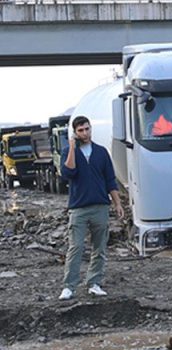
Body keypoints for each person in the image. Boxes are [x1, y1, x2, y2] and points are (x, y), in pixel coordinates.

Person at [58, 116, 125, 300]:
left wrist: (118, 203)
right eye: (81, 130)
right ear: (75, 132)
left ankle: (94, 283)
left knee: (99, 248)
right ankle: (69, 287)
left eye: (87, 129)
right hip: (78, 208)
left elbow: (110, 180)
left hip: (100, 206)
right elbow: (68, 173)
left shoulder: (101, 152)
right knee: (76, 247)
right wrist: (72, 147)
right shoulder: (68, 151)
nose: (85, 133)